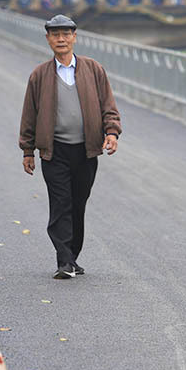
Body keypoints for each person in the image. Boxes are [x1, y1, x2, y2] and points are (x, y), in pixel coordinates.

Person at [19, 14, 121, 279]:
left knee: (78, 204)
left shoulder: (93, 70)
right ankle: (64, 261)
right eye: (55, 35)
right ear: (48, 39)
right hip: (55, 152)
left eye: (66, 34)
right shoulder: (40, 75)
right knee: (60, 204)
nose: (61, 39)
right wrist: (28, 151)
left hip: (86, 151)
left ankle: (72, 257)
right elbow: (29, 114)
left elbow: (108, 106)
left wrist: (112, 132)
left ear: (75, 37)